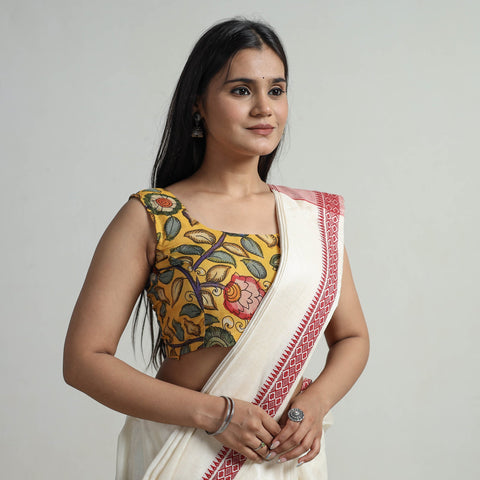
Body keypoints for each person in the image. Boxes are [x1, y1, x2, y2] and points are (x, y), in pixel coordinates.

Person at [63, 18, 369, 480]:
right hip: (185, 452)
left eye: (276, 90)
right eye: (241, 90)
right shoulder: (153, 216)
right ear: (197, 105)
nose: (264, 108)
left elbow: (352, 337)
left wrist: (315, 403)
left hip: (281, 459)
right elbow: (83, 361)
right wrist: (216, 414)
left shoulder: (310, 220)